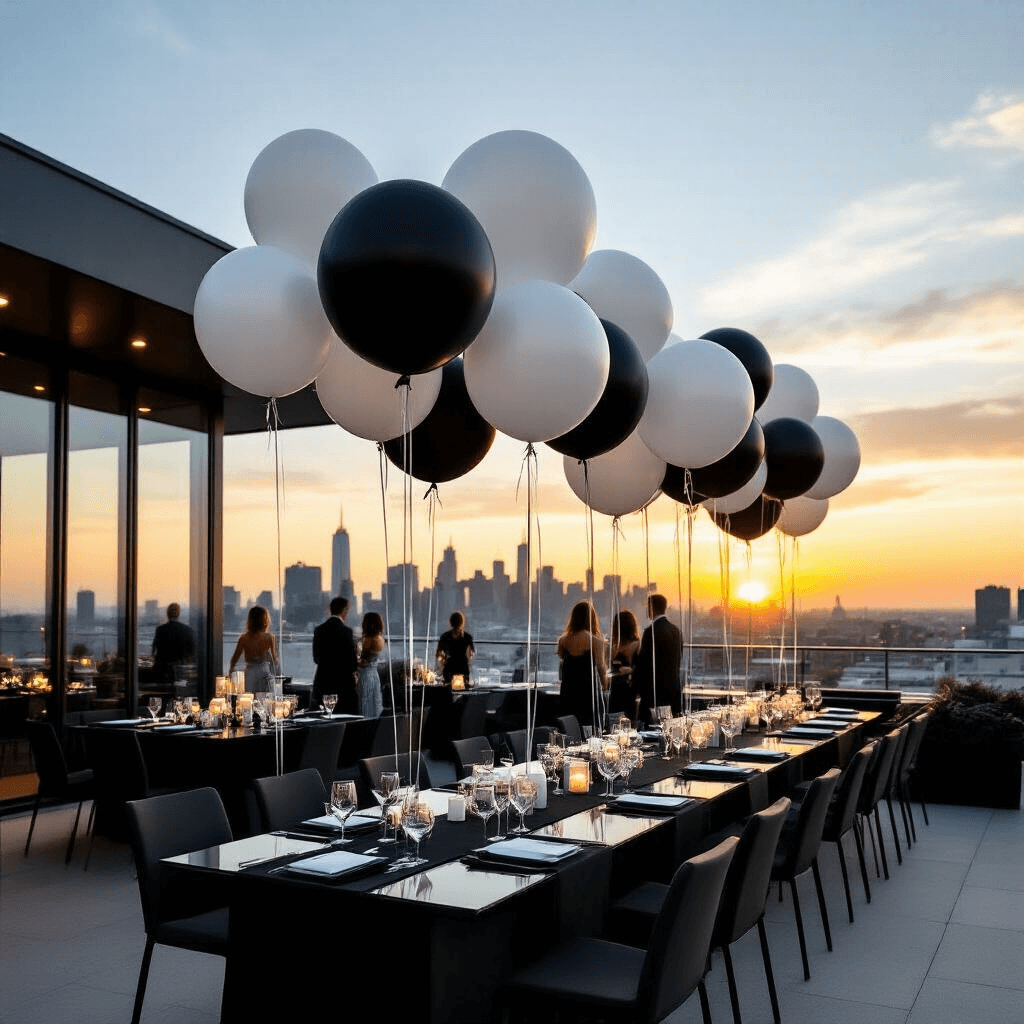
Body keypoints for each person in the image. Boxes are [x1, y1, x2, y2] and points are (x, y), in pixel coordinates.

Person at [556, 601, 608, 729]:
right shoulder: (596, 641)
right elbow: (601, 668)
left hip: (568, 691)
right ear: (592, 619)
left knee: (570, 726)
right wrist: (605, 688)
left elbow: (562, 667)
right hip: (588, 692)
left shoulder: (563, 640)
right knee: (590, 726)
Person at [633, 593, 682, 721]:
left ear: (651, 607)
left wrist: (635, 687)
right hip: (673, 689)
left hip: (654, 692)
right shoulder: (676, 630)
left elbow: (644, 664)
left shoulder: (650, 632)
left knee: (652, 732)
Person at [312, 596, 358, 714]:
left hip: (323, 681)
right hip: (343, 683)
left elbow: (316, 658)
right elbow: (352, 663)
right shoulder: (347, 632)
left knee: (324, 717)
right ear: (344, 610)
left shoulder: (319, 630)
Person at [228, 605, 278, 693]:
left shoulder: (243, 638)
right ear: (265, 620)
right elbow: (275, 661)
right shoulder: (270, 637)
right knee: (265, 699)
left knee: (249, 698)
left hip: (250, 672)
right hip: (264, 672)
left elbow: (234, 660)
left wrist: (231, 674)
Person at [151, 603, 194, 686]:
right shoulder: (188, 630)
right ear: (178, 614)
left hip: (163, 671)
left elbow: (154, 650)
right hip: (181, 671)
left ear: (167, 614)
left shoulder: (160, 630)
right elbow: (191, 653)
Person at [608, 609, 641, 716]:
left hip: (613, 688)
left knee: (613, 718)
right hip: (629, 690)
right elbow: (640, 668)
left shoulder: (611, 646)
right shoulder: (637, 645)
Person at [356, 611, 385, 718]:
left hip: (365, 676)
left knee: (365, 705)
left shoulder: (368, 640)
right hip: (373, 675)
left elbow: (364, 661)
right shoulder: (379, 639)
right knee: (374, 704)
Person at [435, 611, 475, 685]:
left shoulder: (444, 637)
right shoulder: (467, 637)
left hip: (449, 667)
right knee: (463, 690)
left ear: (450, 622)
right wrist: (467, 661)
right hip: (463, 667)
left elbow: (438, 654)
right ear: (462, 623)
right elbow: (472, 653)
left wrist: (444, 660)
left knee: (448, 689)